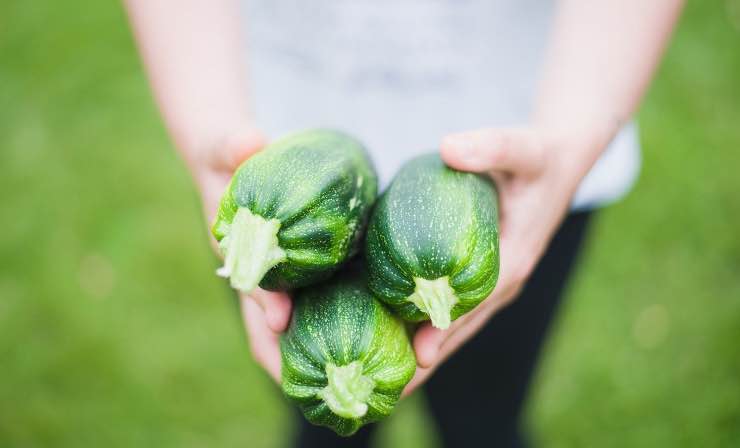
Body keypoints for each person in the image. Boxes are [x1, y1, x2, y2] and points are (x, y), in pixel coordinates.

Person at [124, 1, 683, 446]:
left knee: (483, 418)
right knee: (323, 425)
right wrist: (208, 128)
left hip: (533, 151)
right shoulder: (260, 207)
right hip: (281, 154)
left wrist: (571, 143)